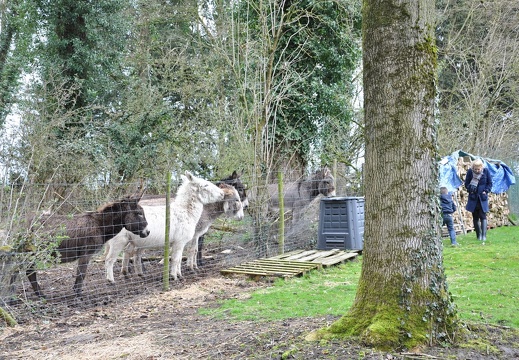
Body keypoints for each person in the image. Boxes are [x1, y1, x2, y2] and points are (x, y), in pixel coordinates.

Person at [464, 158, 493, 241]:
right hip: (473, 198)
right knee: (475, 217)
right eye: (475, 169)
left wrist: (486, 191)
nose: (477, 171)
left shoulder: (486, 171)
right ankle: (478, 235)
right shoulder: (470, 172)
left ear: (481, 167)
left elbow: (489, 183)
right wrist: (470, 189)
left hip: (482, 198)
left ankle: (484, 236)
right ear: (473, 167)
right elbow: (466, 183)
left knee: (483, 216)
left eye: (478, 169)